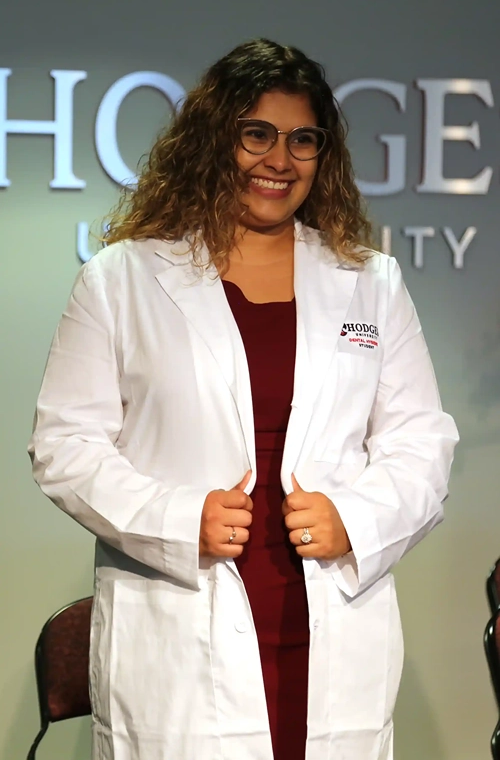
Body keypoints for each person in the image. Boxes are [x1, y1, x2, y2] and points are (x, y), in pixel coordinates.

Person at [28, 38, 459, 760]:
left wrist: (353, 519)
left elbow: (423, 442)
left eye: (302, 139)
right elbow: (64, 446)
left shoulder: (371, 281)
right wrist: (178, 517)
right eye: (256, 134)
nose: (279, 160)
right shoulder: (121, 279)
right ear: (214, 140)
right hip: (182, 609)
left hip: (323, 612)